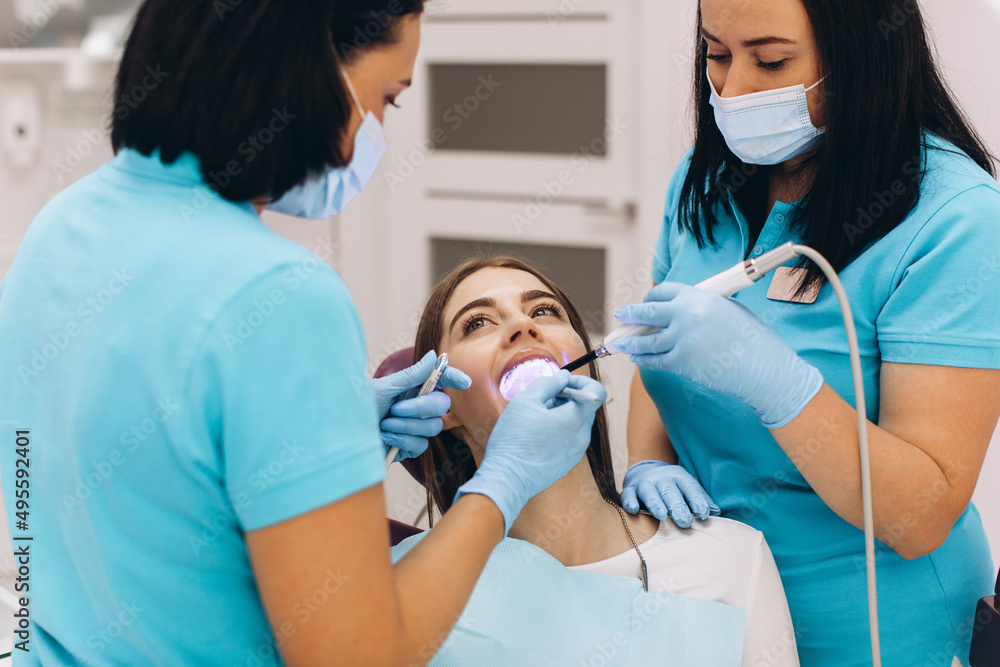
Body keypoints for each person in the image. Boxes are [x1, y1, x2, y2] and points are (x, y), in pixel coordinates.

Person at [0, 2, 608, 665]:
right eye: (387, 98)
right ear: (310, 68)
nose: (374, 130)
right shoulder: (278, 296)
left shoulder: (58, 228)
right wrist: (502, 481)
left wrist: (308, 439)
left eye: (542, 310)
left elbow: (126, 487)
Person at [615, 0, 1000, 664]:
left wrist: (782, 387)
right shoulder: (706, 182)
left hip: (878, 630)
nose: (732, 91)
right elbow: (660, 352)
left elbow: (921, 514)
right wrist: (648, 461)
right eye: (715, 54)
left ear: (860, 55)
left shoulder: (956, 221)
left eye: (770, 61)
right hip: (718, 609)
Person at [392, 256, 799, 666]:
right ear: (440, 405)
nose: (522, 326)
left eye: (544, 310)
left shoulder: (728, 556)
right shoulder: (396, 584)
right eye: (477, 322)